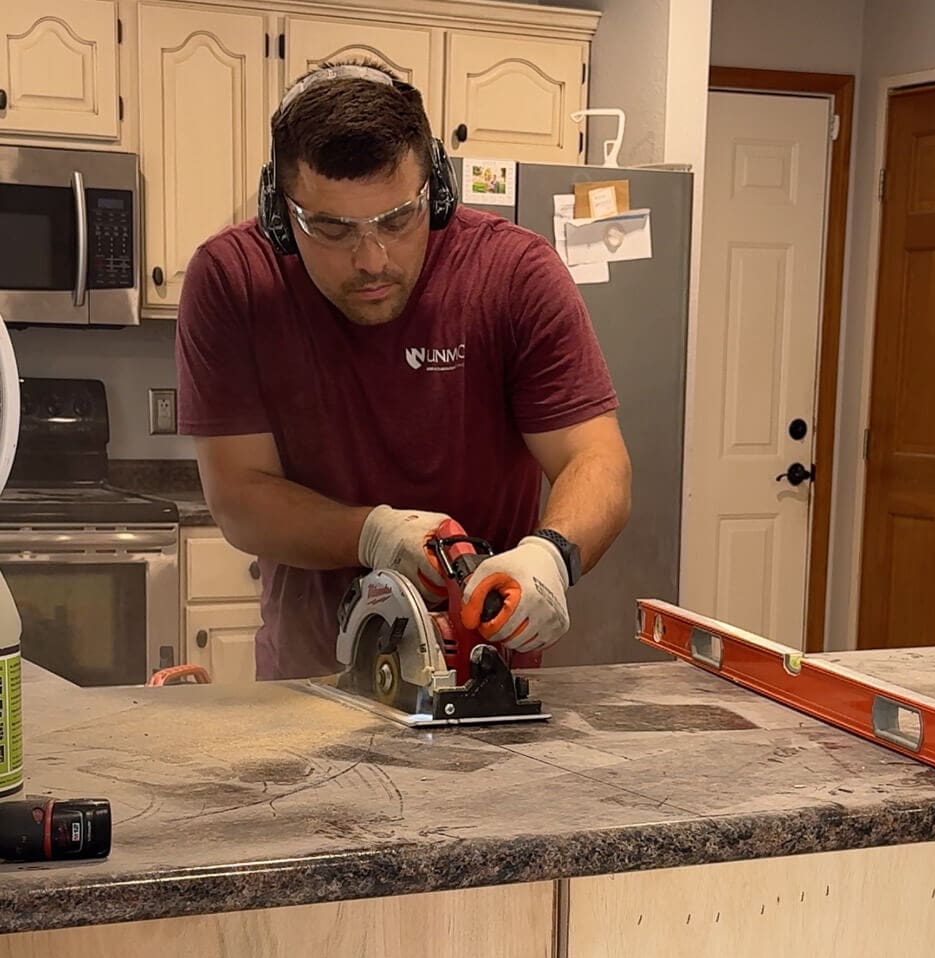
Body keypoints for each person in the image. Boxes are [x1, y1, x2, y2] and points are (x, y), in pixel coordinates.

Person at [176, 61, 631, 681]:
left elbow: (596, 461)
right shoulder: (232, 282)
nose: (371, 259)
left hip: (486, 674)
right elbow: (237, 498)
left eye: (397, 219)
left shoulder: (514, 275)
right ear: (279, 214)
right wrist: (372, 533)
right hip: (310, 677)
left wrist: (551, 556)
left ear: (437, 192)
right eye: (331, 228)